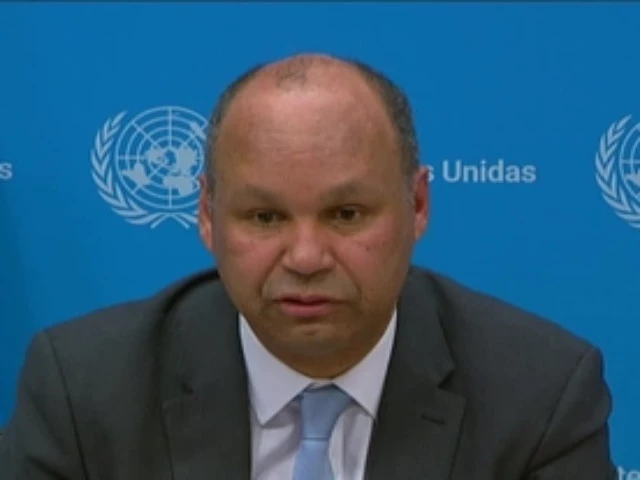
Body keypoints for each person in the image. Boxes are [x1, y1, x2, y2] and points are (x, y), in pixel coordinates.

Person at [0, 53, 615, 480]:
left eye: (346, 214)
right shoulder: (85, 390)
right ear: (208, 215)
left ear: (418, 206)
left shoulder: (540, 397)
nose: (306, 258)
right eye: (265, 217)